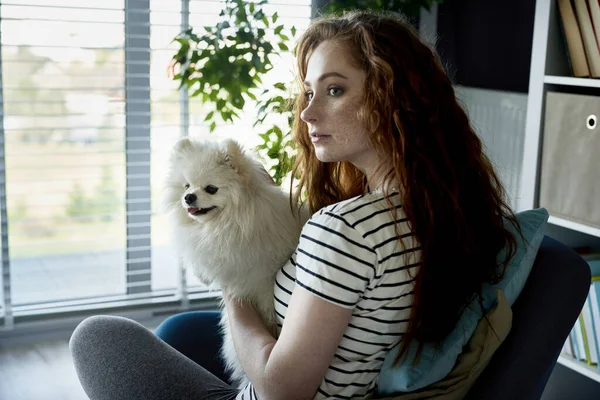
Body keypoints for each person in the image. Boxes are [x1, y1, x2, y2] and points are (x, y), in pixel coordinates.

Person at [69, 10, 519, 400]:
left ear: (391, 100)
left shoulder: (346, 229)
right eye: (309, 91)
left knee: (97, 335)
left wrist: (233, 293)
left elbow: (282, 390)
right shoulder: (438, 206)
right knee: (176, 331)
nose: (307, 113)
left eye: (335, 90)